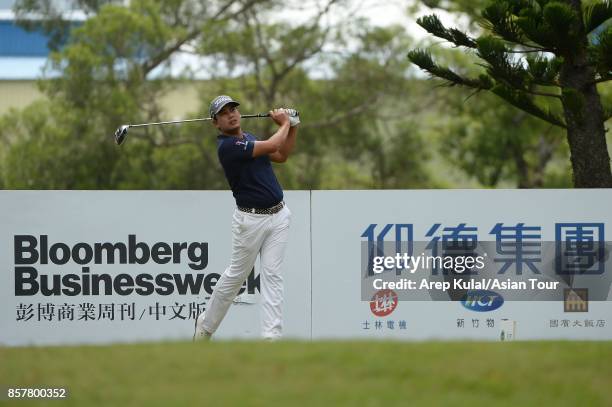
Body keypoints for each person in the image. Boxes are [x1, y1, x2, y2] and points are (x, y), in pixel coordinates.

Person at [193, 95, 299, 341]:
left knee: (273, 276)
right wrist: (284, 123)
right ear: (215, 123)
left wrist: (294, 126)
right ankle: (205, 327)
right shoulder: (228, 147)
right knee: (236, 276)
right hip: (250, 222)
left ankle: (271, 339)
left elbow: (282, 155)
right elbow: (273, 145)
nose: (231, 114)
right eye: (224, 113)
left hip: (279, 216)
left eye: (233, 109)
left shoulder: (248, 137)